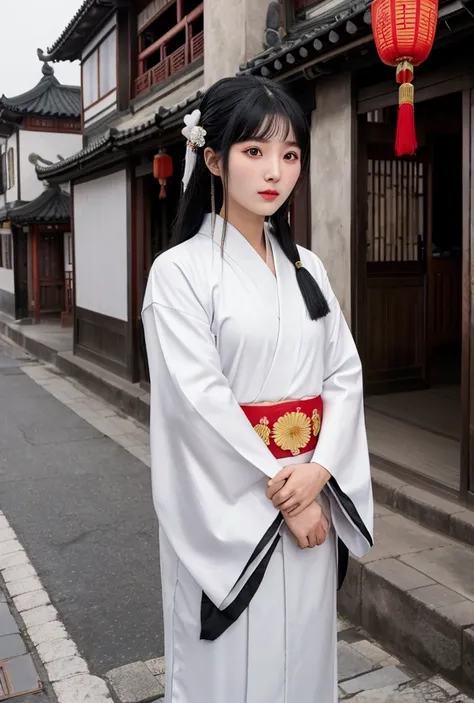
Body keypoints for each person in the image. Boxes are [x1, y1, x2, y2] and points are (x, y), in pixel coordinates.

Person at [141, 75, 374, 703]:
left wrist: (322, 471)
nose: (275, 170)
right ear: (213, 159)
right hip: (243, 504)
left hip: (310, 489)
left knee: (303, 661)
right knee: (232, 673)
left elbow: (343, 374)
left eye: (290, 154)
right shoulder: (180, 273)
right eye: (254, 151)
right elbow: (198, 405)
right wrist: (290, 496)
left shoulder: (309, 267)